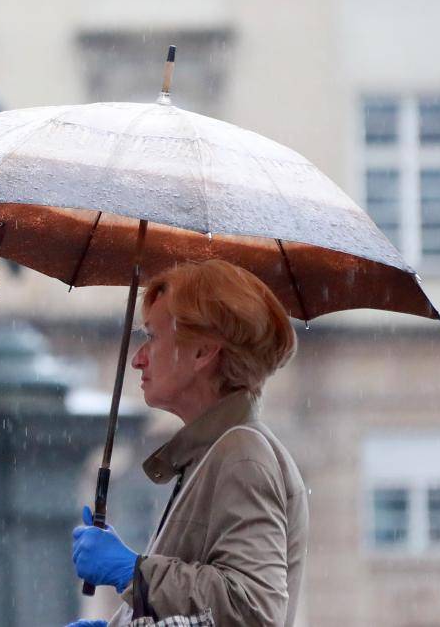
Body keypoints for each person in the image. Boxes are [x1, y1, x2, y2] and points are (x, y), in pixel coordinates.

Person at [68, 260, 308, 627]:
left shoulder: (242, 455)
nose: (137, 359)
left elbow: (252, 611)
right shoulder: (216, 452)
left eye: (152, 337)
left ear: (202, 352)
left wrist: (134, 572)